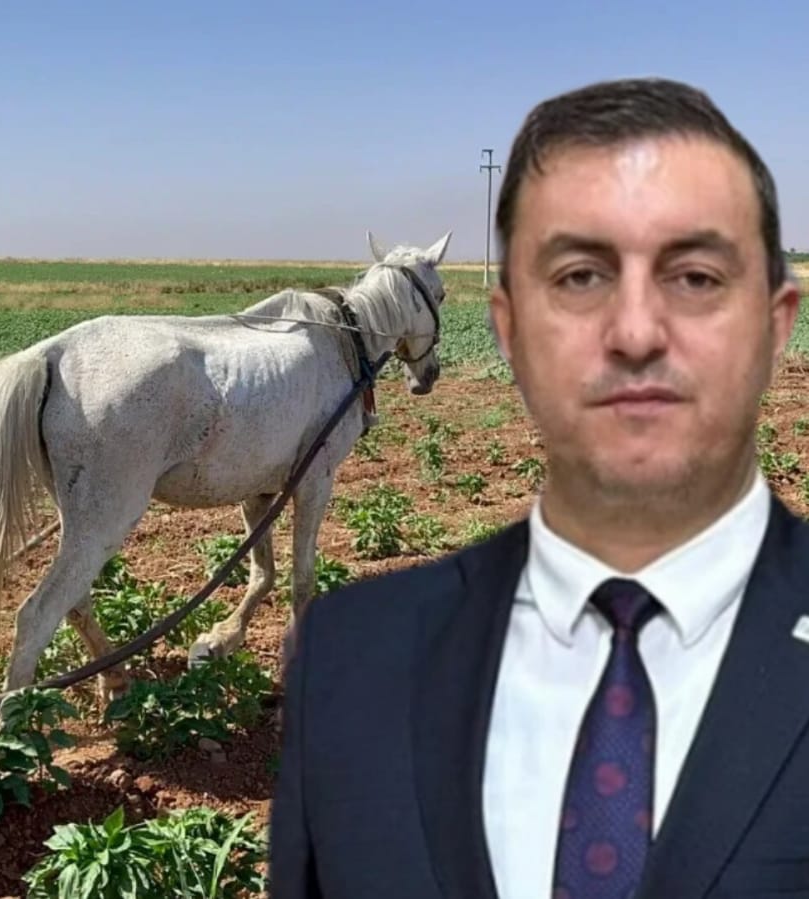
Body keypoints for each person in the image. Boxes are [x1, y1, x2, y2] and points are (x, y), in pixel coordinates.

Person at [266, 77, 805, 899]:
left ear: (773, 323)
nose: (633, 334)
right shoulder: (346, 661)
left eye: (694, 276)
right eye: (580, 277)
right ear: (510, 331)